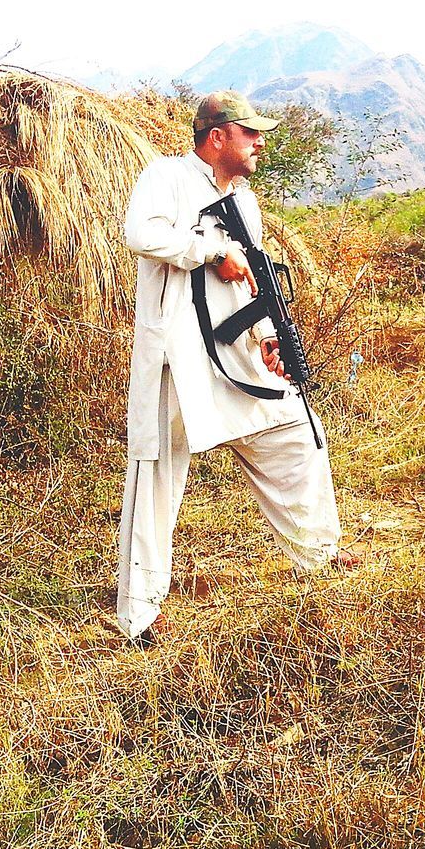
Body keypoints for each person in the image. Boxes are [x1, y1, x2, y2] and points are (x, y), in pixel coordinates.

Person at [116, 90, 358, 645]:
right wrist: (208, 251)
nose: (261, 143)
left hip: (236, 353)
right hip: (177, 359)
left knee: (298, 435)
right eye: (251, 134)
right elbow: (141, 234)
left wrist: (270, 336)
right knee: (155, 477)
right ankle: (139, 615)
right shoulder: (168, 176)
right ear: (217, 136)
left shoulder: (244, 201)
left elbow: (254, 280)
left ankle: (318, 556)